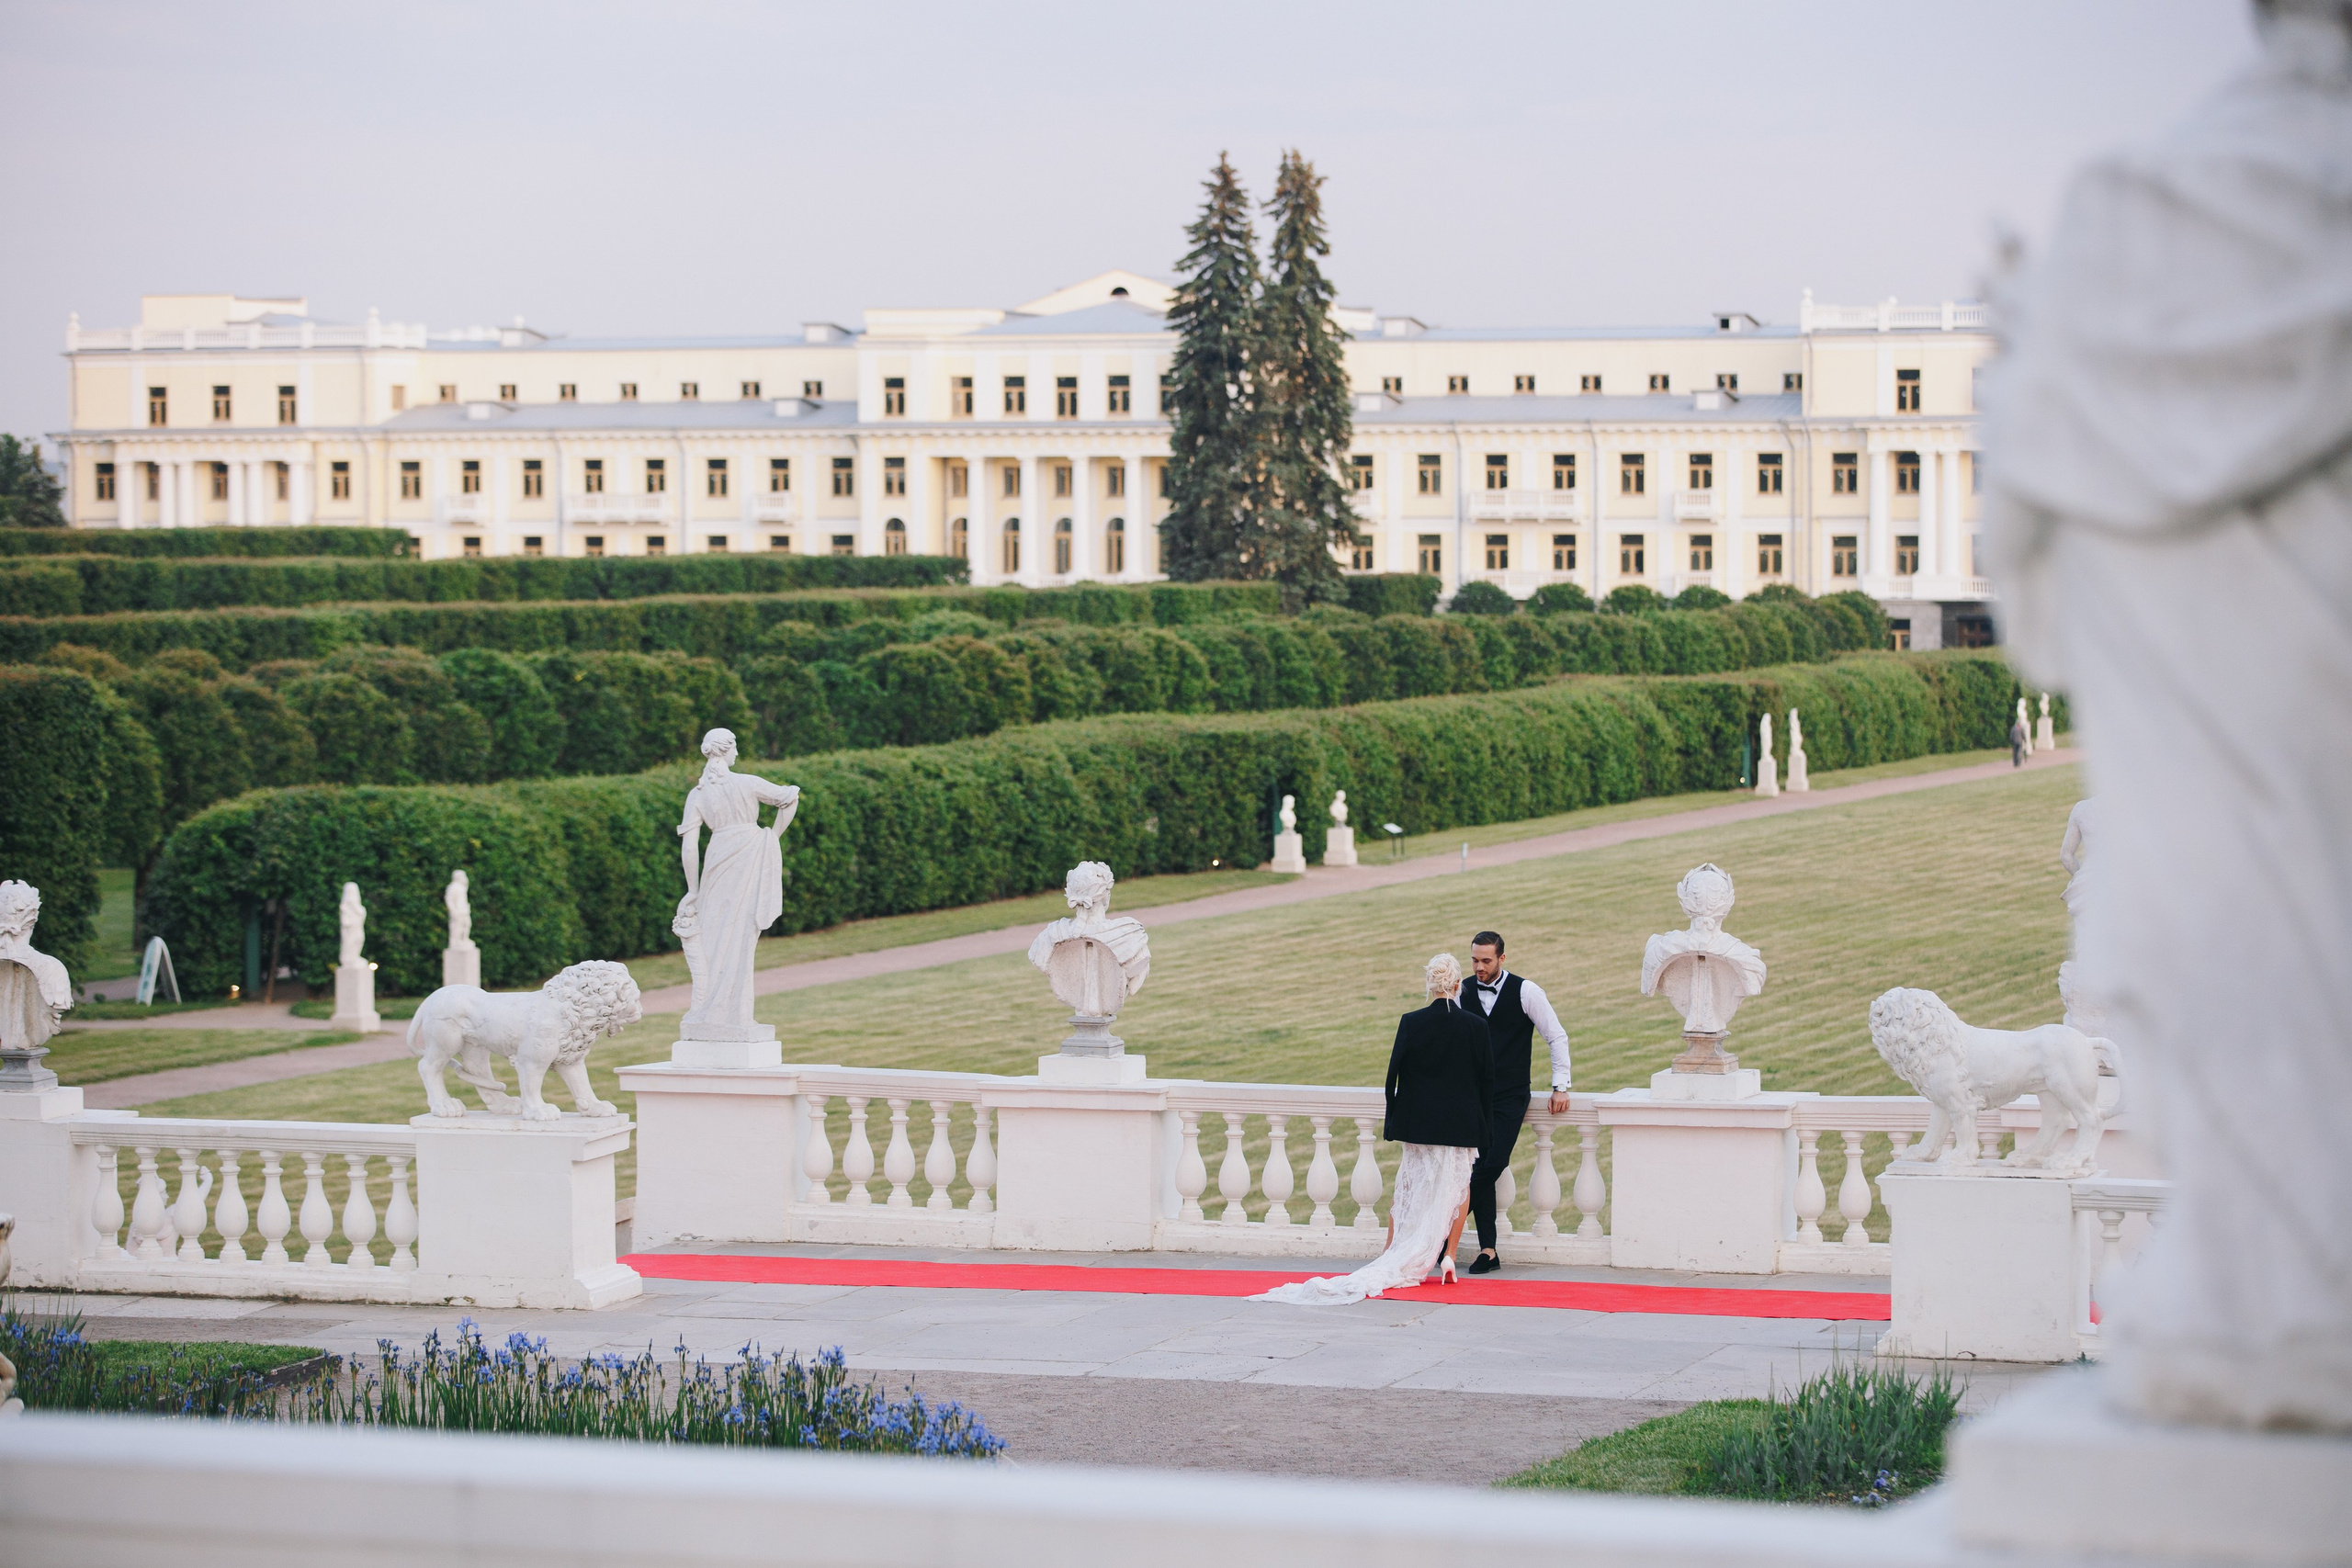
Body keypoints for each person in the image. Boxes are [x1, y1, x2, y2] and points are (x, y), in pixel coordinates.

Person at [1253, 953, 1490, 1304]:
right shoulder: (1476, 1026)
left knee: (1409, 1187)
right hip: (1461, 1124)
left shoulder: (1412, 1021)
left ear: (1430, 984)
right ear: (1458, 986)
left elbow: (1392, 1076)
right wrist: (1483, 1127)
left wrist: (1395, 1119)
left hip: (1420, 1124)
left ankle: (1391, 1249)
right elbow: (1487, 1082)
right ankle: (1450, 1255)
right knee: (1458, 1188)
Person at [674, 728, 801, 1038]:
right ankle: (731, 1016)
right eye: (735, 748)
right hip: (748, 855)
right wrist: (772, 836)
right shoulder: (747, 783)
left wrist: (693, 890)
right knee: (741, 939)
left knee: (715, 937)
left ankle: (720, 1013)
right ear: (727, 750)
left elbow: (690, 847)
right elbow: (791, 798)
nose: (738, 754)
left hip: (717, 861)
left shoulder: (699, 794)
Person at [1463, 931, 1573, 1275]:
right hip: (1470, 1097)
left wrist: (1561, 1085)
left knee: (1492, 1163)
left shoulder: (1526, 991)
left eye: (1486, 961)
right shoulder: (1462, 990)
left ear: (1502, 959)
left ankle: (1438, 1230)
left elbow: (1556, 1036)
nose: (1479, 967)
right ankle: (1488, 1251)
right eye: (1475, 961)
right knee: (1479, 1168)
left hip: (1510, 1095)